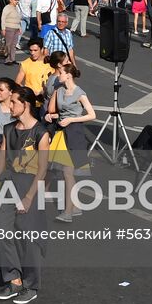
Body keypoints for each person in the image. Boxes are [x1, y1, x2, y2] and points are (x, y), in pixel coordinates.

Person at [0, 84, 48, 304]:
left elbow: (42, 169)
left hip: (29, 186)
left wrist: (29, 197)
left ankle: (31, 285)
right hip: (9, 184)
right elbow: (2, 158)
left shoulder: (40, 132)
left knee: (29, 238)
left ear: (26, 105)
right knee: (3, 231)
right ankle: (14, 280)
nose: (9, 105)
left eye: (13, 102)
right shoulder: (8, 129)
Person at [44, 61, 96, 223]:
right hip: (60, 133)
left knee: (67, 172)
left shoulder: (80, 93)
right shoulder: (59, 91)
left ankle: (68, 212)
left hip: (73, 134)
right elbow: (52, 111)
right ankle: (74, 207)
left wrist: (72, 119)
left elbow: (92, 115)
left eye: (60, 72)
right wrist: (51, 115)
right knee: (54, 168)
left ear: (68, 75)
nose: (58, 74)